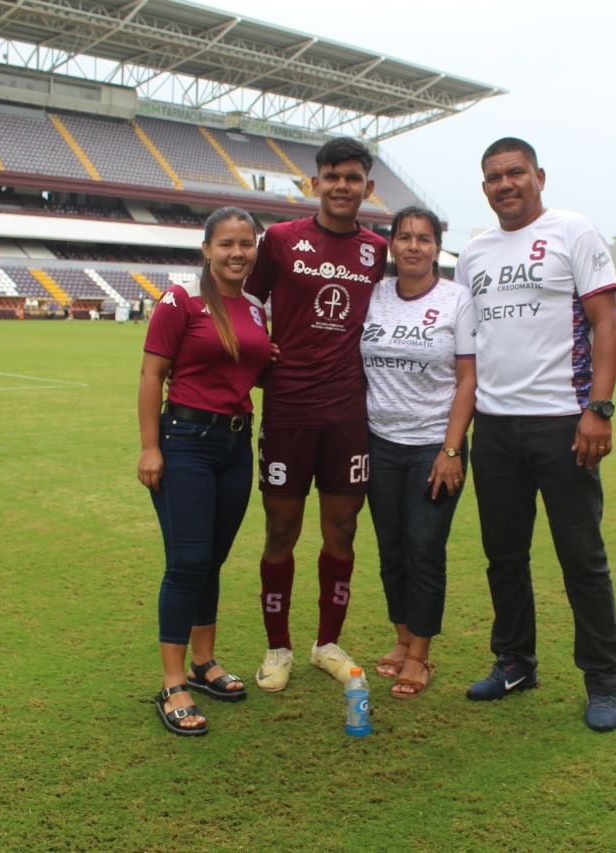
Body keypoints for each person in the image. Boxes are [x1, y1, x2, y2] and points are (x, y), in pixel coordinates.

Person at [454, 137, 616, 732]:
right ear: (484, 187)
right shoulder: (472, 254)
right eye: (495, 176)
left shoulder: (572, 231)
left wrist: (597, 409)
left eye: (516, 173)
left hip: (563, 422)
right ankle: (515, 661)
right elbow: (469, 351)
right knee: (504, 556)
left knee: (582, 558)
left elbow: (606, 323)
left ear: (539, 176)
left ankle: (602, 682)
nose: (506, 184)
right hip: (496, 426)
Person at [243, 137, 388, 691]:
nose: (342, 186)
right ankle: (276, 647)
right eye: (331, 176)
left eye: (352, 177)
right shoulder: (280, 239)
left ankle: (326, 642)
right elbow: (248, 304)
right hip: (287, 409)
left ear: (367, 187)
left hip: (348, 411)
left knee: (343, 531)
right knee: (281, 527)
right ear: (315, 184)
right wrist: (259, 359)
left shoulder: (376, 249)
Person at [137, 206, 271, 736]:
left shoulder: (256, 308)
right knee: (188, 559)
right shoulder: (180, 301)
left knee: (212, 559)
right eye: (227, 244)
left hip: (236, 445)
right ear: (207, 250)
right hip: (186, 441)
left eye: (246, 243)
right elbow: (152, 375)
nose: (237, 253)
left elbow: (248, 366)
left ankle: (205, 662)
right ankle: (173, 684)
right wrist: (150, 447)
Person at [361, 206, 476, 699]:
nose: (413, 246)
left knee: (424, 550)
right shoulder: (375, 295)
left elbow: (469, 378)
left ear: (436, 247)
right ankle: (402, 637)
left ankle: (421, 655)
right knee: (391, 550)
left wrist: (451, 448)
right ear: (392, 244)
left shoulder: (457, 299)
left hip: (434, 444)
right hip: (379, 442)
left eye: (424, 239)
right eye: (405, 237)